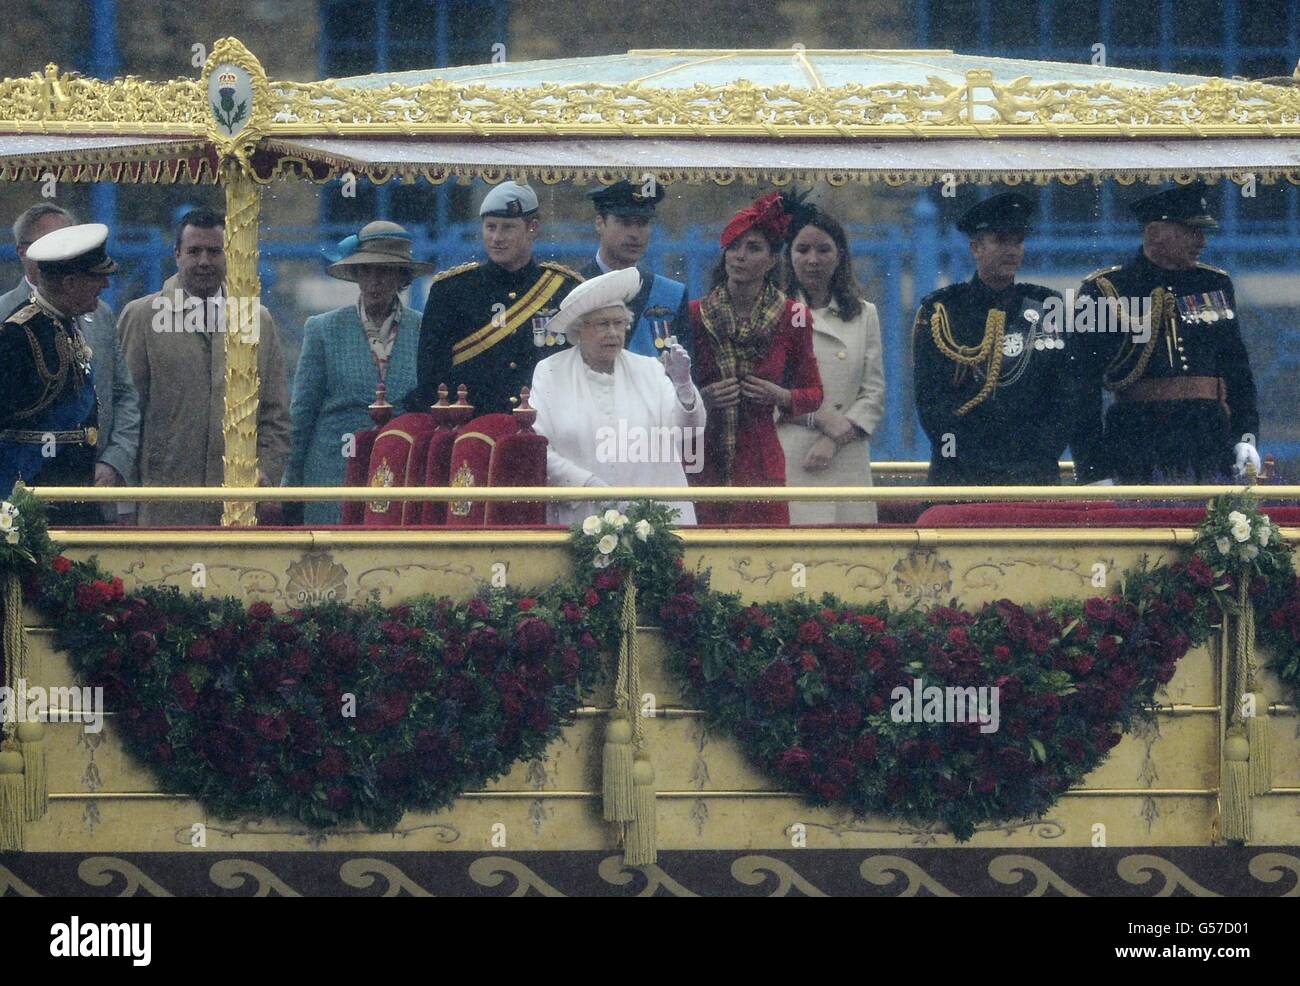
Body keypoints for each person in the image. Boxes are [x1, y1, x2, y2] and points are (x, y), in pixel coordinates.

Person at [1076, 181, 1260, 483]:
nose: (1202, 241)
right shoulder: (1106, 290)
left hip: (1209, 440)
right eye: (1191, 231)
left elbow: (1237, 372)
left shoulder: (1214, 284)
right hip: (1138, 442)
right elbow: (1082, 389)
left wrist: (1246, 436)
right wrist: (1093, 468)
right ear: (1155, 232)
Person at [117, 208, 291, 526]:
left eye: (214, 251)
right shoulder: (142, 317)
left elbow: (275, 416)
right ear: (176, 255)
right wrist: (124, 503)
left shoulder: (257, 320)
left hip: (237, 509)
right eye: (194, 251)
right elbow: (126, 415)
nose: (204, 261)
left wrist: (266, 474)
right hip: (162, 507)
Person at [911, 192, 1093, 486]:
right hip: (962, 473)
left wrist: (1040, 452)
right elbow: (931, 401)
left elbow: (1066, 393)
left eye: (1017, 241)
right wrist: (961, 454)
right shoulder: (942, 311)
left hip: (1031, 470)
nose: (1011, 250)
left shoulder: (1046, 306)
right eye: (1000, 240)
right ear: (976, 247)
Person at [529, 268, 704, 528]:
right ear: (579, 329)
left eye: (619, 323)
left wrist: (684, 387)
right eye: (603, 324)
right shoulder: (550, 371)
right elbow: (538, 447)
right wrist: (589, 486)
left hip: (651, 522)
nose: (613, 332)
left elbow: (688, 432)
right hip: (580, 518)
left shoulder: (650, 369)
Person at [689, 192, 824, 526]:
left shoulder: (794, 316)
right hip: (704, 458)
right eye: (733, 247)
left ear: (773, 259)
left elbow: (814, 393)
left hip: (761, 462)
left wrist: (779, 396)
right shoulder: (696, 314)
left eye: (753, 248)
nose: (740, 257)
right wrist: (703, 398)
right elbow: (671, 390)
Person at [283, 221, 429, 525]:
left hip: (400, 482)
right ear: (356, 275)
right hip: (331, 482)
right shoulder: (323, 330)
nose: (374, 281)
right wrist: (290, 489)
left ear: (401, 277)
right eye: (366, 270)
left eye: (384, 271)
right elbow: (301, 415)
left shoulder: (425, 330)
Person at [2, 205, 140, 523]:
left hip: (75, 501)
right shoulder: (17, 335)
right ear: (70, 283)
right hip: (31, 508)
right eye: (96, 278)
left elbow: (120, 395)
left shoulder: (69, 324)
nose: (104, 286)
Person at [408, 181, 584, 415]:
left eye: (507, 228)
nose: (496, 238)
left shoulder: (564, 289)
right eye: (490, 227)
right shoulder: (451, 291)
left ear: (532, 227)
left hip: (547, 424)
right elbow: (430, 379)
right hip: (472, 429)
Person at [778, 207, 885, 524]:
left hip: (846, 458)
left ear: (840, 256)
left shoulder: (864, 314)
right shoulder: (772, 312)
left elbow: (873, 393)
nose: (813, 260)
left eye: (823, 250)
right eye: (803, 249)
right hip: (792, 455)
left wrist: (835, 436)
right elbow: (761, 392)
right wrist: (817, 419)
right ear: (789, 255)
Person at [580, 180, 691, 358]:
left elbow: (685, 376)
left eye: (642, 223)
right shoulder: (570, 286)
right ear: (600, 223)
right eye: (624, 222)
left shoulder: (671, 294)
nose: (634, 234)